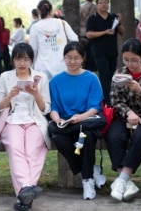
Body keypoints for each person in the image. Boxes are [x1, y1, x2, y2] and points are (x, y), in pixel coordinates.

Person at [0, 43, 51, 211]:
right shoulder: (6, 77)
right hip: (12, 120)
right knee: (15, 147)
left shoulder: (41, 77)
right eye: (19, 59)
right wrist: (10, 95)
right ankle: (27, 188)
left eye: (26, 59)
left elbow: (45, 108)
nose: (23, 63)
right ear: (13, 60)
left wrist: (36, 93)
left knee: (33, 151)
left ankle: (24, 195)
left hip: (35, 120)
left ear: (31, 60)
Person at [105, 38, 141, 202]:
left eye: (134, 60)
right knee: (114, 136)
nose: (130, 64)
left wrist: (140, 91)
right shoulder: (119, 74)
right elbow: (115, 100)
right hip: (124, 117)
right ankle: (126, 182)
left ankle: (121, 180)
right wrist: (128, 112)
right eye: (126, 60)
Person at [49, 41, 103, 201]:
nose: (72, 61)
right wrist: (58, 120)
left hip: (85, 119)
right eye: (69, 57)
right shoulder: (55, 81)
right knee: (58, 137)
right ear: (64, 58)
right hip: (65, 123)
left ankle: (87, 181)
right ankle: (91, 170)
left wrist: (81, 117)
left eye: (76, 58)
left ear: (83, 59)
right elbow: (53, 107)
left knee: (86, 136)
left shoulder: (92, 78)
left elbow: (95, 107)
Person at [86, 0, 125, 105]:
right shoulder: (92, 19)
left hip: (112, 52)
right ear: (97, 5)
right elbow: (89, 34)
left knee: (112, 75)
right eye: (101, 2)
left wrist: (119, 22)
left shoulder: (113, 17)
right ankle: (106, 102)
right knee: (104, 76)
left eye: (106, 2)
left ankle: (112, 99)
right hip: (99, 52)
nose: (104, 4)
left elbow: (122, 32)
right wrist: (104, 32)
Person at [29, 0, 78, 80]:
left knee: (44, 92)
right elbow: (75, 39)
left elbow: (33, 49)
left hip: (42, 67)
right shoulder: (62, 23)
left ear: (39, 11)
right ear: (51, 10)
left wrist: (31, 67)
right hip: (62, 65)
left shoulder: (35, 27)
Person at [80, 0, 97, 72]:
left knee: (84, 50)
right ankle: (92, 67)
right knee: (92, 51)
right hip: (94, 32)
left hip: (83, 31)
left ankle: (84, 66)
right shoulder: (96, 7)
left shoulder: (81, 7)